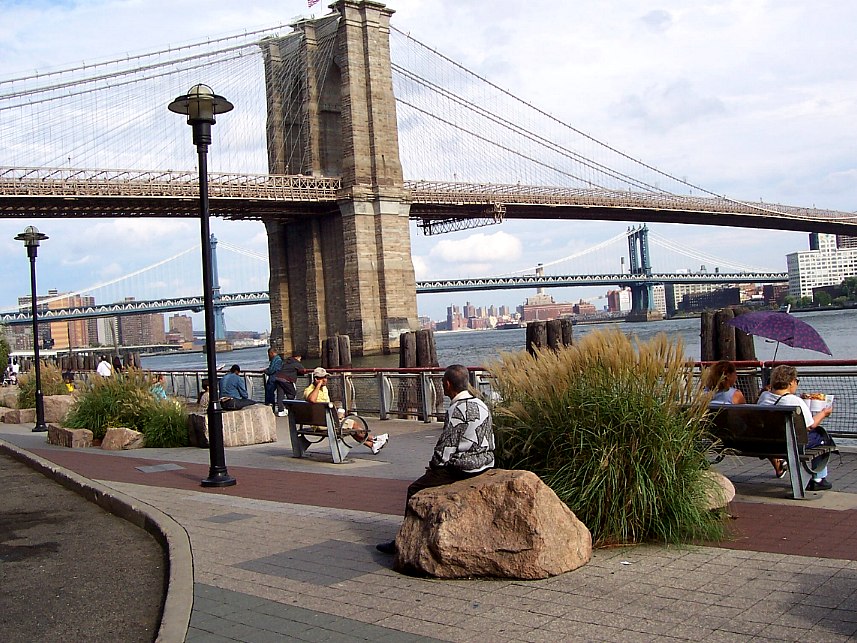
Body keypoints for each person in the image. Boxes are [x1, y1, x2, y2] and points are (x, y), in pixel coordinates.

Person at [377, 364, 495, 555]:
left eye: (442, 383)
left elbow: (446, 447)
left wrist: (433, 468)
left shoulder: (456, 409)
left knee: (414, 488)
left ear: (447, 384)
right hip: (486, 461)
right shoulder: (481, 403)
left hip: (464, 467)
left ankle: (404, 540)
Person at [758, 364, 834, 491]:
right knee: (824, 438)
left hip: (769, 442)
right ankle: (818, 479)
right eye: (797, 381)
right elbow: (811, 426)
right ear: (791, 382)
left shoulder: (764, 396)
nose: (797, 384)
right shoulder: (795, 401)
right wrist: (823, 413)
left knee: (814, 436)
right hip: (791, 444)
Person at [704, 360, 786, 478]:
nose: (736, 376)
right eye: (735, 374)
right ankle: (780, 463)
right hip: (739, 441)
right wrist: (761, 396)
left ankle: (779, 465)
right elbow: (749, 418)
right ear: (728, 376)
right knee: (763, 433)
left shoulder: (705, 394)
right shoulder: (735, 394)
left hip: (715, 438)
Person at [304, 367, 388, 454]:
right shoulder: (309, 390)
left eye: (326, 377)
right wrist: (318, 385)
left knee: (350, 427)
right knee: (353, 424)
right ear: (316, 379)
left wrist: (336, 414)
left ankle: (372, 445)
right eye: (322, 378)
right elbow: (312, 400)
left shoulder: (324, 389)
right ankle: (374, 438)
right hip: (323, 424)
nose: (325, 380)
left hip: (327, 420)